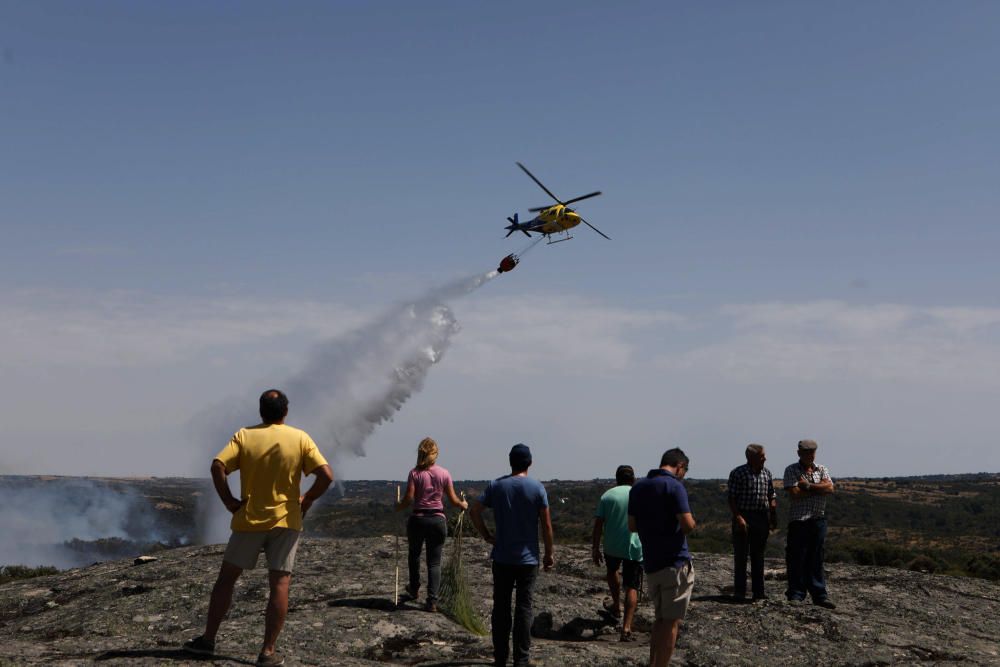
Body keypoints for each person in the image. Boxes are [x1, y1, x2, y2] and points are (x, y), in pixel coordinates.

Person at [183, 389, 334, 667]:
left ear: (261, 411)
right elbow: (326, 475)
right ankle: (267, 652)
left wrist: (229, 501)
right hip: (287, 521)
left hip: (249, 520)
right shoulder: (300, 438)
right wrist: (308, 498)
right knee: (279, 583)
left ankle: (208, 641)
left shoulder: (244, 436)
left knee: (227, 579)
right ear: (285, 411)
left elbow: (218, 466)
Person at [470, 443, 555, 667]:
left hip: (502, 557)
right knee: (524, 608)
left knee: (501, 608)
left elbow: (474, 511)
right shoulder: (537, 488)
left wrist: (487, 535)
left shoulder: (496, 486)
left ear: (510, 461)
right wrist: (548, 554)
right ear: (530, 463)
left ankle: (500, 658)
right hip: (528, 559)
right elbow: (546, 526)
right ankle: (521, 659)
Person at [628, 448, 695, 667]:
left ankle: (653, 662)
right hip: (674, 562)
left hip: (651, 562)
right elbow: (687, 525)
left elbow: (632, 525)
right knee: (671, 622)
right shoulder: (675, 486)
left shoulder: (638, 487)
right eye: (684, 470)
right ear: (679, 466)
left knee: (659, 619)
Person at [395, 436, 468, 612]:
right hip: (437, 520)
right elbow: (452, 499)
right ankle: (432, 601)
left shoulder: (414, 473)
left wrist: (398, 506)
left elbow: (409, 499)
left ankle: (414, 588)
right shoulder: (444, 473)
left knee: (414, 555)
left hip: (418, 519)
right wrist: (462, 504)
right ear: (435, 454)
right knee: (434, 562)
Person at [591, 464, 643, 641]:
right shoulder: (639, 495)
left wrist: (595, 548)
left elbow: (598, 524)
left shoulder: (608, 495)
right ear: (633, 479)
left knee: (612, 571)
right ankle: (626, 627)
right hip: (634, 545)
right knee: (632, 586)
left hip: (612, 545)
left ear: (617, 479)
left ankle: (616, 606)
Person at [783, 439, 836, 609]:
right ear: (799, 453)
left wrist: (808, 486)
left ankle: (819, 595)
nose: (810, 456)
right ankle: (796, 594)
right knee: (797, 557)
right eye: (806, 453)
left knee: (816, 557)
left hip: (818, 519)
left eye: (812, 452)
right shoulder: (791, 469)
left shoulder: (822, 468)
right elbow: (794, 493)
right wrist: (818, 488)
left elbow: (830, 488)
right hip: (799, 520)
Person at [727, 444, 777, 602]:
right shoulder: (738, 473)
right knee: (741, 556)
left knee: (758, 556)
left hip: (761, 517)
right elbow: (732, 498)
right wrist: (738, 517)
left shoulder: (766, 473)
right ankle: (740, 593)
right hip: (743, 515)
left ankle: (758, 593)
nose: (765, 458)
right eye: (762, 456)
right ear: (751, 458)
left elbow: (771, 494)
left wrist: (773, 513)